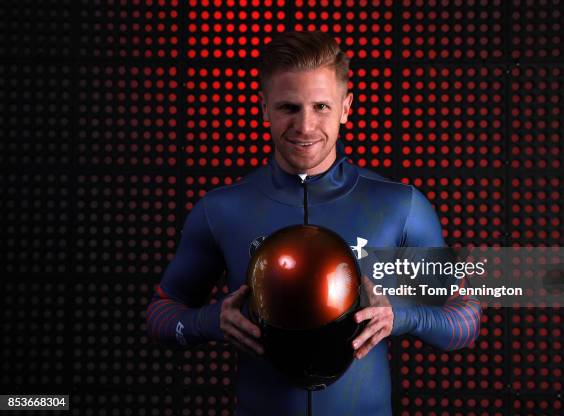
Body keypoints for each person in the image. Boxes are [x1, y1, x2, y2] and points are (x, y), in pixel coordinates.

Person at [146, 30, 481, 415]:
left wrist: (401, 316)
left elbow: (465, 317)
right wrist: (210, 320)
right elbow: (160, 313)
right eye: (289, 107)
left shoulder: (398, 205)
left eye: (321, 106)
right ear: (263, 108)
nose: (305, 127)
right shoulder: (223, 208)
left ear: (346, 108)